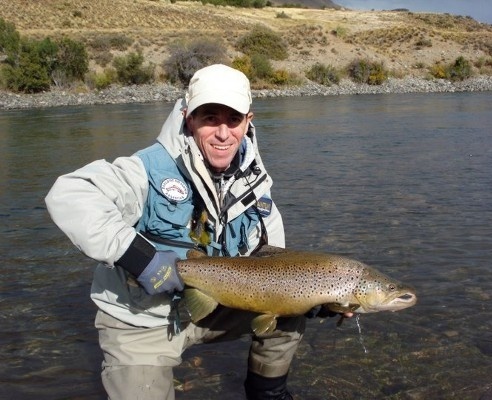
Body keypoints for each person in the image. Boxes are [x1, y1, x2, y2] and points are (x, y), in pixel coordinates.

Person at [45, 64, 304, 400]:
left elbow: (275, 265)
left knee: (289, 316)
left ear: (249, 121)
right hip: (142, 317)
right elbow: (70, 194)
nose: (223, 133)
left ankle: (267, 393)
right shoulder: (146, 169)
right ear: (188, 118)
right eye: (210, 118)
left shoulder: (256, 187)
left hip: (216, 302)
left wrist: (313, 298)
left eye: (233, 120)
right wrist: (140, 257)